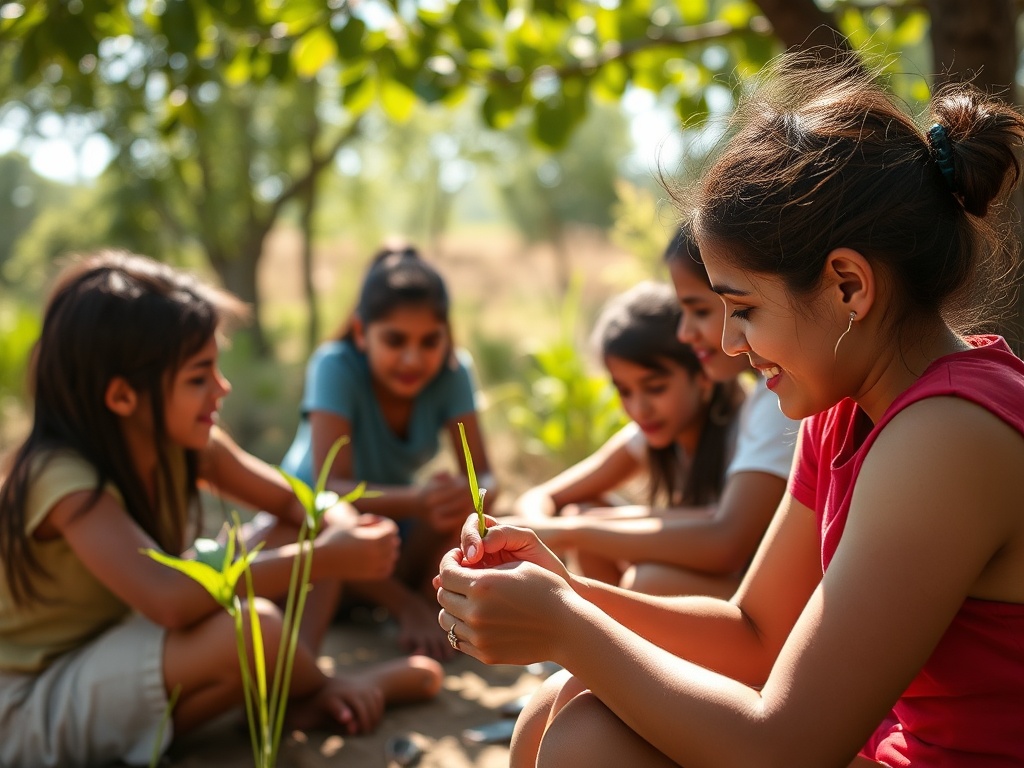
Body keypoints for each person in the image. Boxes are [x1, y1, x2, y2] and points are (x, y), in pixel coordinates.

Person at [436, 51, 1024, 767]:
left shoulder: (949, 436)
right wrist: (567, 591)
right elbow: (756, 632)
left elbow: (788, 746)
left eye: (741, 308)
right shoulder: (846, 410)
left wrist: (565, 628)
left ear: (847, 286)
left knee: (589, 736)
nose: (726, 343)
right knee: (555, 709)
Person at [0, 252, 443, 768]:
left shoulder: (186, 444)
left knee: (291, 533)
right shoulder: (62, 481)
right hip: (34, 700)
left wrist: (339, 522)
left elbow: (295, 499)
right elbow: (168, 601)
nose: (222, 389)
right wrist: (324, 559)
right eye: (198, 377)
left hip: (129, 647)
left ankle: (291, 693)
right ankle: (319, 688)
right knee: (256, 627)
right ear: (122, 396)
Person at [281, 242, 495, 660]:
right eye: (395, 340)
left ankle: (426, 604)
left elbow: (486, 477)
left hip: (393, 528)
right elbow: (331, 491)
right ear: (362, 333)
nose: (412, 358)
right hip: (317, 526)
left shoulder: (454, 371)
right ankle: (406, 607)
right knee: (339, 522)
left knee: (466, 512)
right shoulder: (334, 366)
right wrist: (417, 500)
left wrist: (460, 496)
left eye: (430, 341)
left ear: (446, 336)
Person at [511, 280, 752, 596]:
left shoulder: (745, 430)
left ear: (702, 376)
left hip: (747, 588)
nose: (639, 409)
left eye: (655, 388)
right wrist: (550, 529)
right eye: (624, 391)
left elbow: (722, 526)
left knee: (643, 575)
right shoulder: (647, 436)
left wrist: (575, 530)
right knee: (581, 511)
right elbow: (539, 498)